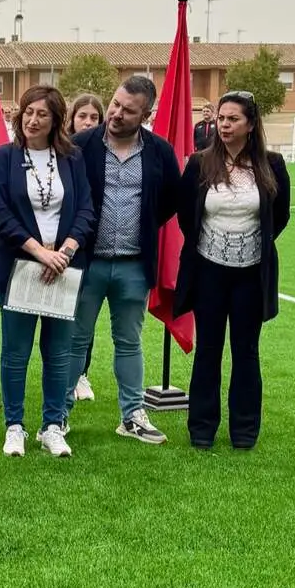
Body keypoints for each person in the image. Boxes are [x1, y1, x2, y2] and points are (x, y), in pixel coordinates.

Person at [66, 76, 181, 444]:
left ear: (145, 114)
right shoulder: (80, 145)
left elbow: (169, 200)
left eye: (127, 110)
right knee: (75, 340)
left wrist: (143, 226)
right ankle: (58, 415)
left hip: (133, 265)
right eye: (114, 104)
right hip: (87, 262)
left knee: (129, 341)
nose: (115, 113)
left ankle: (131, 415)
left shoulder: (160, 152)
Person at [173, 91, 290, 450]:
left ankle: (244, 430)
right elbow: (185, 214)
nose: (224, 125)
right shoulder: (199, 163)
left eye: (233, 119)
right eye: (221, 118)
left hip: (251, 275)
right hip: (209, 272)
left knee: (246, 350)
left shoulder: (272, 164)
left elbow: (280, 216)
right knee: (208, 349)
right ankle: (202, 429)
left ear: (251, 125)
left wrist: (248, 244)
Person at [0, 86, 94, 458]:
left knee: (59, 351)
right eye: (28, 112)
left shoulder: (73, 159)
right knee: (15, 353)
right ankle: (14, 426)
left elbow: (85, 211)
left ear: (56, 120)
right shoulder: (4, 157)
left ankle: (52, 425)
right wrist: (38, 252)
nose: (33, 120)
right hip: (20, 267)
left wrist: (64, 252)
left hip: (64, 269)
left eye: (42, 114)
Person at [64, 93, 105, 401]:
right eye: (83, 116)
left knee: (83, 316)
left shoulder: (103, 152)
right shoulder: (61, 151)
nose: (88, 122)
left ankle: (81, 375)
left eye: (94, 118)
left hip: (91, 244)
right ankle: (61, 373)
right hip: (60, 244)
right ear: (71, 119)